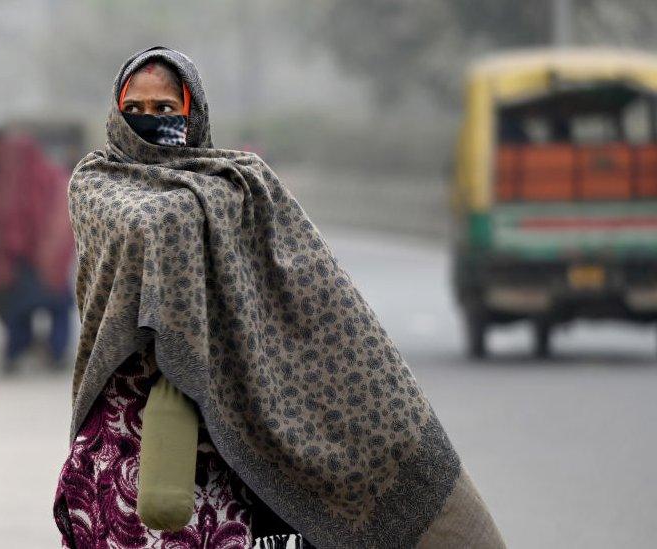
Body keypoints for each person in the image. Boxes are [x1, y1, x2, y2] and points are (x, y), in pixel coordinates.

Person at [54, 47, 505, 548]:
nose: (147, 120)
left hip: (228, 432)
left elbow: (305, 285)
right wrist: (190, 215)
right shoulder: (95, 182)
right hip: (126, 428)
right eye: (134, 108)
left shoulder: (241, 186)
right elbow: (142, 228)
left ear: (193, 113)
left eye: (165, 109)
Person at [0, 134, 75, 373]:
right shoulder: (49, 178)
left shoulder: (3, 184)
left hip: (32, 260)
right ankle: (50, 351)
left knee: (29, 307)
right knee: (49, 307)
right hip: (32, 260)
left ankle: (23, 351)